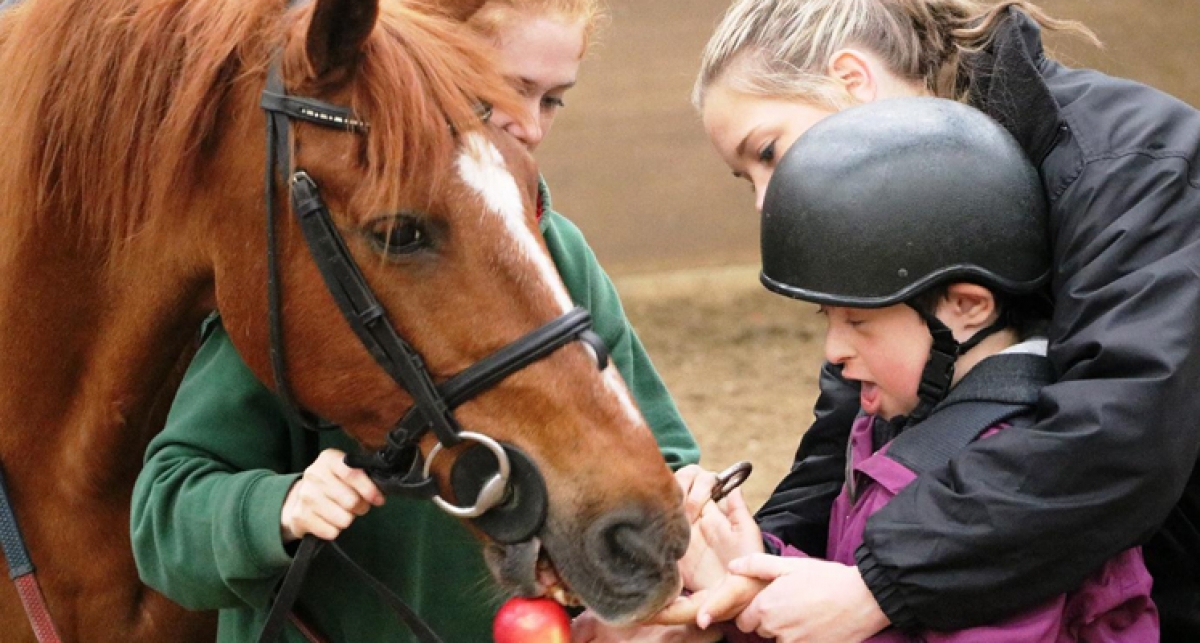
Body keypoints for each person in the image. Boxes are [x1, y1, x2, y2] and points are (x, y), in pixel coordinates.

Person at [129, 1, 700, 642]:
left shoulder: (559, 252)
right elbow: (167, 519)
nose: (531, 126)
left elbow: (660, 448)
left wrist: (689, 500)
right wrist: (274, 509)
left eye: (552, 100)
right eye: (506, 90)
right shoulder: (305, 277)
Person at [681, 0, 1200, 640]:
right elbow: (847, 441)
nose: (766, 201)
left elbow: (1123, 433)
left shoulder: (1129, 167)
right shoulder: (898, 222)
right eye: (745, 179)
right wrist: (753, 568)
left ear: (853, 79)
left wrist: (882, 584)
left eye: (768, 151)